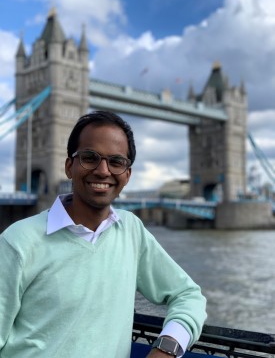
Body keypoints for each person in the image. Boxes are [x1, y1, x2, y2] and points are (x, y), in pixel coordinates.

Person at [0, 111, 207, 358]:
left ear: (127, 175)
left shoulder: (131, 231)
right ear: (69, 166)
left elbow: (188, 295)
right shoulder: (17, 243)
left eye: (117, 162)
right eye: (90, 157)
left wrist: (168, 346)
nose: (103, 171)